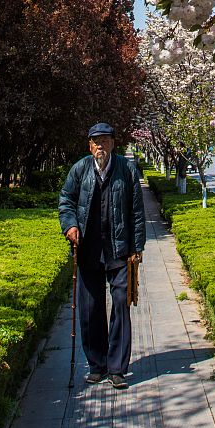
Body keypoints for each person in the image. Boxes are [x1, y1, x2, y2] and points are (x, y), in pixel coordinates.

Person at [59, 122, 146, 387]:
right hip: (88, 252)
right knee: (90, 309)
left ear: (113, 144)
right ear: (89, 145)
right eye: (96, 141)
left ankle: (118, 368)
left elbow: (137, 212)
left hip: (118, 250)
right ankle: (97, 364)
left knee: (120, 303)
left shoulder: (126, 170)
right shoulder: (80, 169)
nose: (101, 146)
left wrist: (137, 248)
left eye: (106, 141)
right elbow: (67, 201)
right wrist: (70, 225)